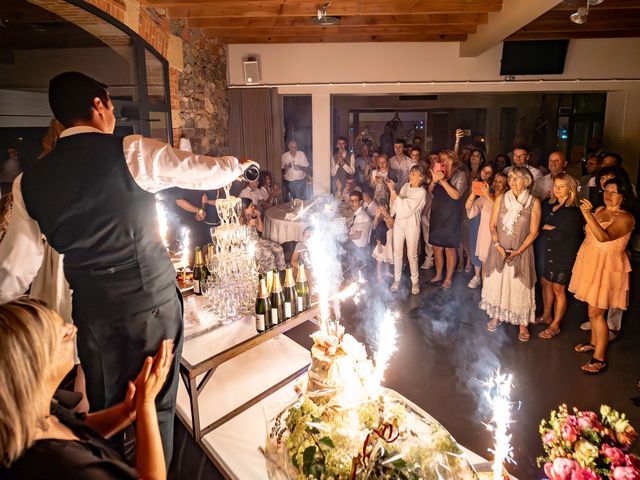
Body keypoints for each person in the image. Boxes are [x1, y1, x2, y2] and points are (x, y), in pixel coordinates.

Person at [0, 72, 258, 464]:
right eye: (111, 106)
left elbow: (14, 270)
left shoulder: (27, 183)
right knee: (156, 403)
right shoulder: (130, 151)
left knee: (107, 402)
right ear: (98, 105)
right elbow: (193, 168)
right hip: (149, 304)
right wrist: (236, 167)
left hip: (93, 310)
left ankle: (111, 469)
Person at [0, 299, 171, 480]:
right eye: (63, 336)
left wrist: (127, 411)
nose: (73, 330)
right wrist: (146, 403)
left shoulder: (30, 411)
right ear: (34, 367)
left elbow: (77, 428)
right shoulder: (66, 467)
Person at [569, 177, 635, 374]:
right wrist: (590, 214)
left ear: (623, 195)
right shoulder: (599, 210)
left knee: (597, 314)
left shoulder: (626, 218)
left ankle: (600, 358)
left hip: (607, 267)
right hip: (591, 262)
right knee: (591, 309)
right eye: (606, 191)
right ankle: (593, 342)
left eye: (613, 192)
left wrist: (587, 214)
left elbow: (603, 237)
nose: (608, 195)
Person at [482, 167, 541, 342]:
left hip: (521, 251)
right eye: (511, 177)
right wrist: (497, 244)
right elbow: (492, 225)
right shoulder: (501, 198)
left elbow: (534, 232)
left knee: (520, 285)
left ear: (527, 181)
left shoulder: (533, 202)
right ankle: (497, 315)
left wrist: (520, 250)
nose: (512, 181)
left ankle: (522, 323)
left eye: (517, 178)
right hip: (499, 248)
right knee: (498, 282)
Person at [537, 174, 584, 339]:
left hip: (564, 253)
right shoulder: (550, 205)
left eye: (561, 186)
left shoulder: (575, 211)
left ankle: (555, 324)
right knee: (546, 283)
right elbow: (539, 224)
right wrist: (549, 228)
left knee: (558, 288)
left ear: (570, 189)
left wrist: (549, 228)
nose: (557, 189)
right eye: (555, 185)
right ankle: (546, 315)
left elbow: (568, 234)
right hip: (547, 249)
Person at [428, 150, 468, 290]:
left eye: (445, 159)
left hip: (452, 216)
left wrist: (442, 181)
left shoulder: (460, 174)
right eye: (441, 158)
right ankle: (439, 274)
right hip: (437, 214)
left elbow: (457, 195)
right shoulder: (438, 171)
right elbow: (429, 191)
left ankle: (448, 278)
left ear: (453, 160)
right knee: (437, 247)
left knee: (450, 249)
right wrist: (434, 180)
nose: (442, 161)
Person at [388, 164, 427, 295]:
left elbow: (406, 208)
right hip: (399, 223)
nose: (410, 175)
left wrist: (393, 192)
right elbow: (396, 203)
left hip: (412, 225)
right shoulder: (405, 186)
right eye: (410, 173)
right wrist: (393, 193)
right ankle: (397, 279)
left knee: (412, 254)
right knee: (397, 252)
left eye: (414, 174)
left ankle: (414, 281)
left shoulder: (421, 192)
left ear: (420, 177)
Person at [464, 164, 496, 289]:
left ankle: (488, 278)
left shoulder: (494, 189)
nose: (486, 174)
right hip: (475, 217)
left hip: (487, 219)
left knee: (487, 248)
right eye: (484, 170)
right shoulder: (475, 183)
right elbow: (469, 206)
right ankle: (477, 276)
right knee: (474, 244)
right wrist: (473, 191)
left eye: (489, 172)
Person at [240, 198, 286, 273]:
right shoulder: (240, 220)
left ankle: (280, 272)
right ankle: (270, 276)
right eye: (251, 206)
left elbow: (261, 229)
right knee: (269, 254)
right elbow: (241, 238)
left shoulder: (249, 216)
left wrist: (258, 216)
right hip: (248, 245)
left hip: (257, 241)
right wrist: (249, 225)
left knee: (279, 248)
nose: (253, 208)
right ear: (244, 208)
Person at [345, 190, 372, 279]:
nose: (352, 203)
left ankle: (348, 270)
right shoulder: (358, 213)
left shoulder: (361, 216)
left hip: (357, 244)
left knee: (335, 243)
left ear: (360, 202)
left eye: (355, 201)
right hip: (356, 241)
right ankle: (349, 268)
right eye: (351, 201)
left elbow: (357, 236)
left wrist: (344, 236)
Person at [371, 203, 394, 281]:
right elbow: (376, 231)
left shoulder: (388, 218)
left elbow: (392, 226)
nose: (380, 211)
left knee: (387, 259)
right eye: (378, 209)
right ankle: (379, 275)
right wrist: (379, 245)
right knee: (380, 261)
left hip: (388, 244)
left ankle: (386, 272)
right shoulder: (380, 221)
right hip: (382, 244)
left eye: (381, 209)